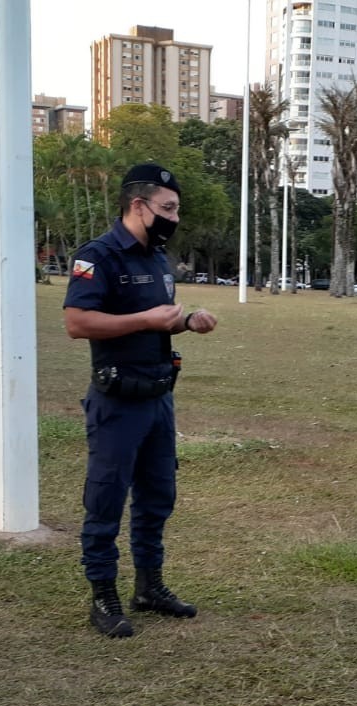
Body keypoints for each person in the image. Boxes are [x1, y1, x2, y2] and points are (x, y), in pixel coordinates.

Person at [63, 163, 217, 638]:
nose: (173, 218)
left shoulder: (156, 258)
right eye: (167, 208)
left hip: (157, 396)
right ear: (138, 205)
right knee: (106, 499)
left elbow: (158, 318)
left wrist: (185, 321)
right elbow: (78, 322)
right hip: (117, 399)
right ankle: (103, 594)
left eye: (176, 210)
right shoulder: (99, 256)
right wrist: (147, 321)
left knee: (157, 497)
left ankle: (149, 585)